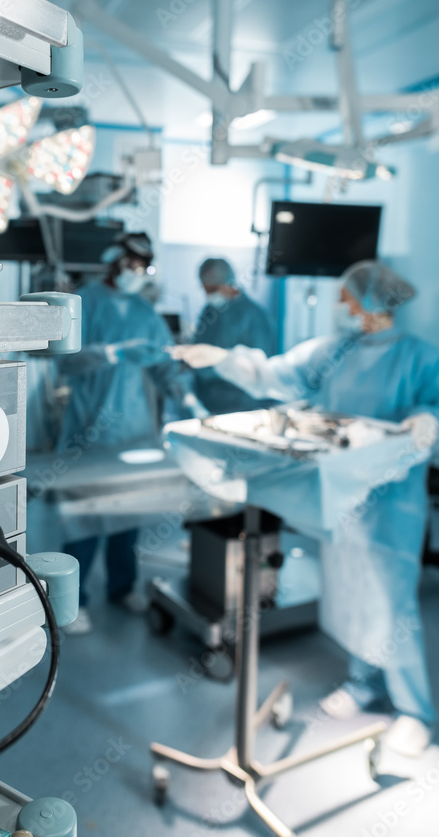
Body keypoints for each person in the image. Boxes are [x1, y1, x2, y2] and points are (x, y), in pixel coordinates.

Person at [173, 260, 439, 757]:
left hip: (391, 509)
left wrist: (426, 421)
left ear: (374, 303)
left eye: (349, 298)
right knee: (351, 593)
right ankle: (364, 684)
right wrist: (223, 358)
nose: (342, 306)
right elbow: (275, 374)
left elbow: (434, 408)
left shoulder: (419, 357)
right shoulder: (335, 350)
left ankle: (414, 709)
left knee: (391, 602)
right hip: (341, 501)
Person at [57, 232, 201, 635]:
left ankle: (122, 588)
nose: (137, 274)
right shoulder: (84, 302)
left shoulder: (145, 311)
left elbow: (162, 365)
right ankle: (75, 599)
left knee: (127, 512)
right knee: (84, 514)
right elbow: (65, 362)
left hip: (134, 428)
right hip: (89, 428)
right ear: (115, 262)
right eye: (131, 266)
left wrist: (186, 399)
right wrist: (112, 352)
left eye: (143, 268)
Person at [193, 257, 276, 414]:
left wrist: (215, 364)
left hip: (242, 404)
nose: (207, 294)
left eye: (211, 289)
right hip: (208, 400)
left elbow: (257, 368)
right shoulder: (210, 311)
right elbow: (199, 343)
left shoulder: (255, 317)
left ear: (228, 284)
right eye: (204, 288)